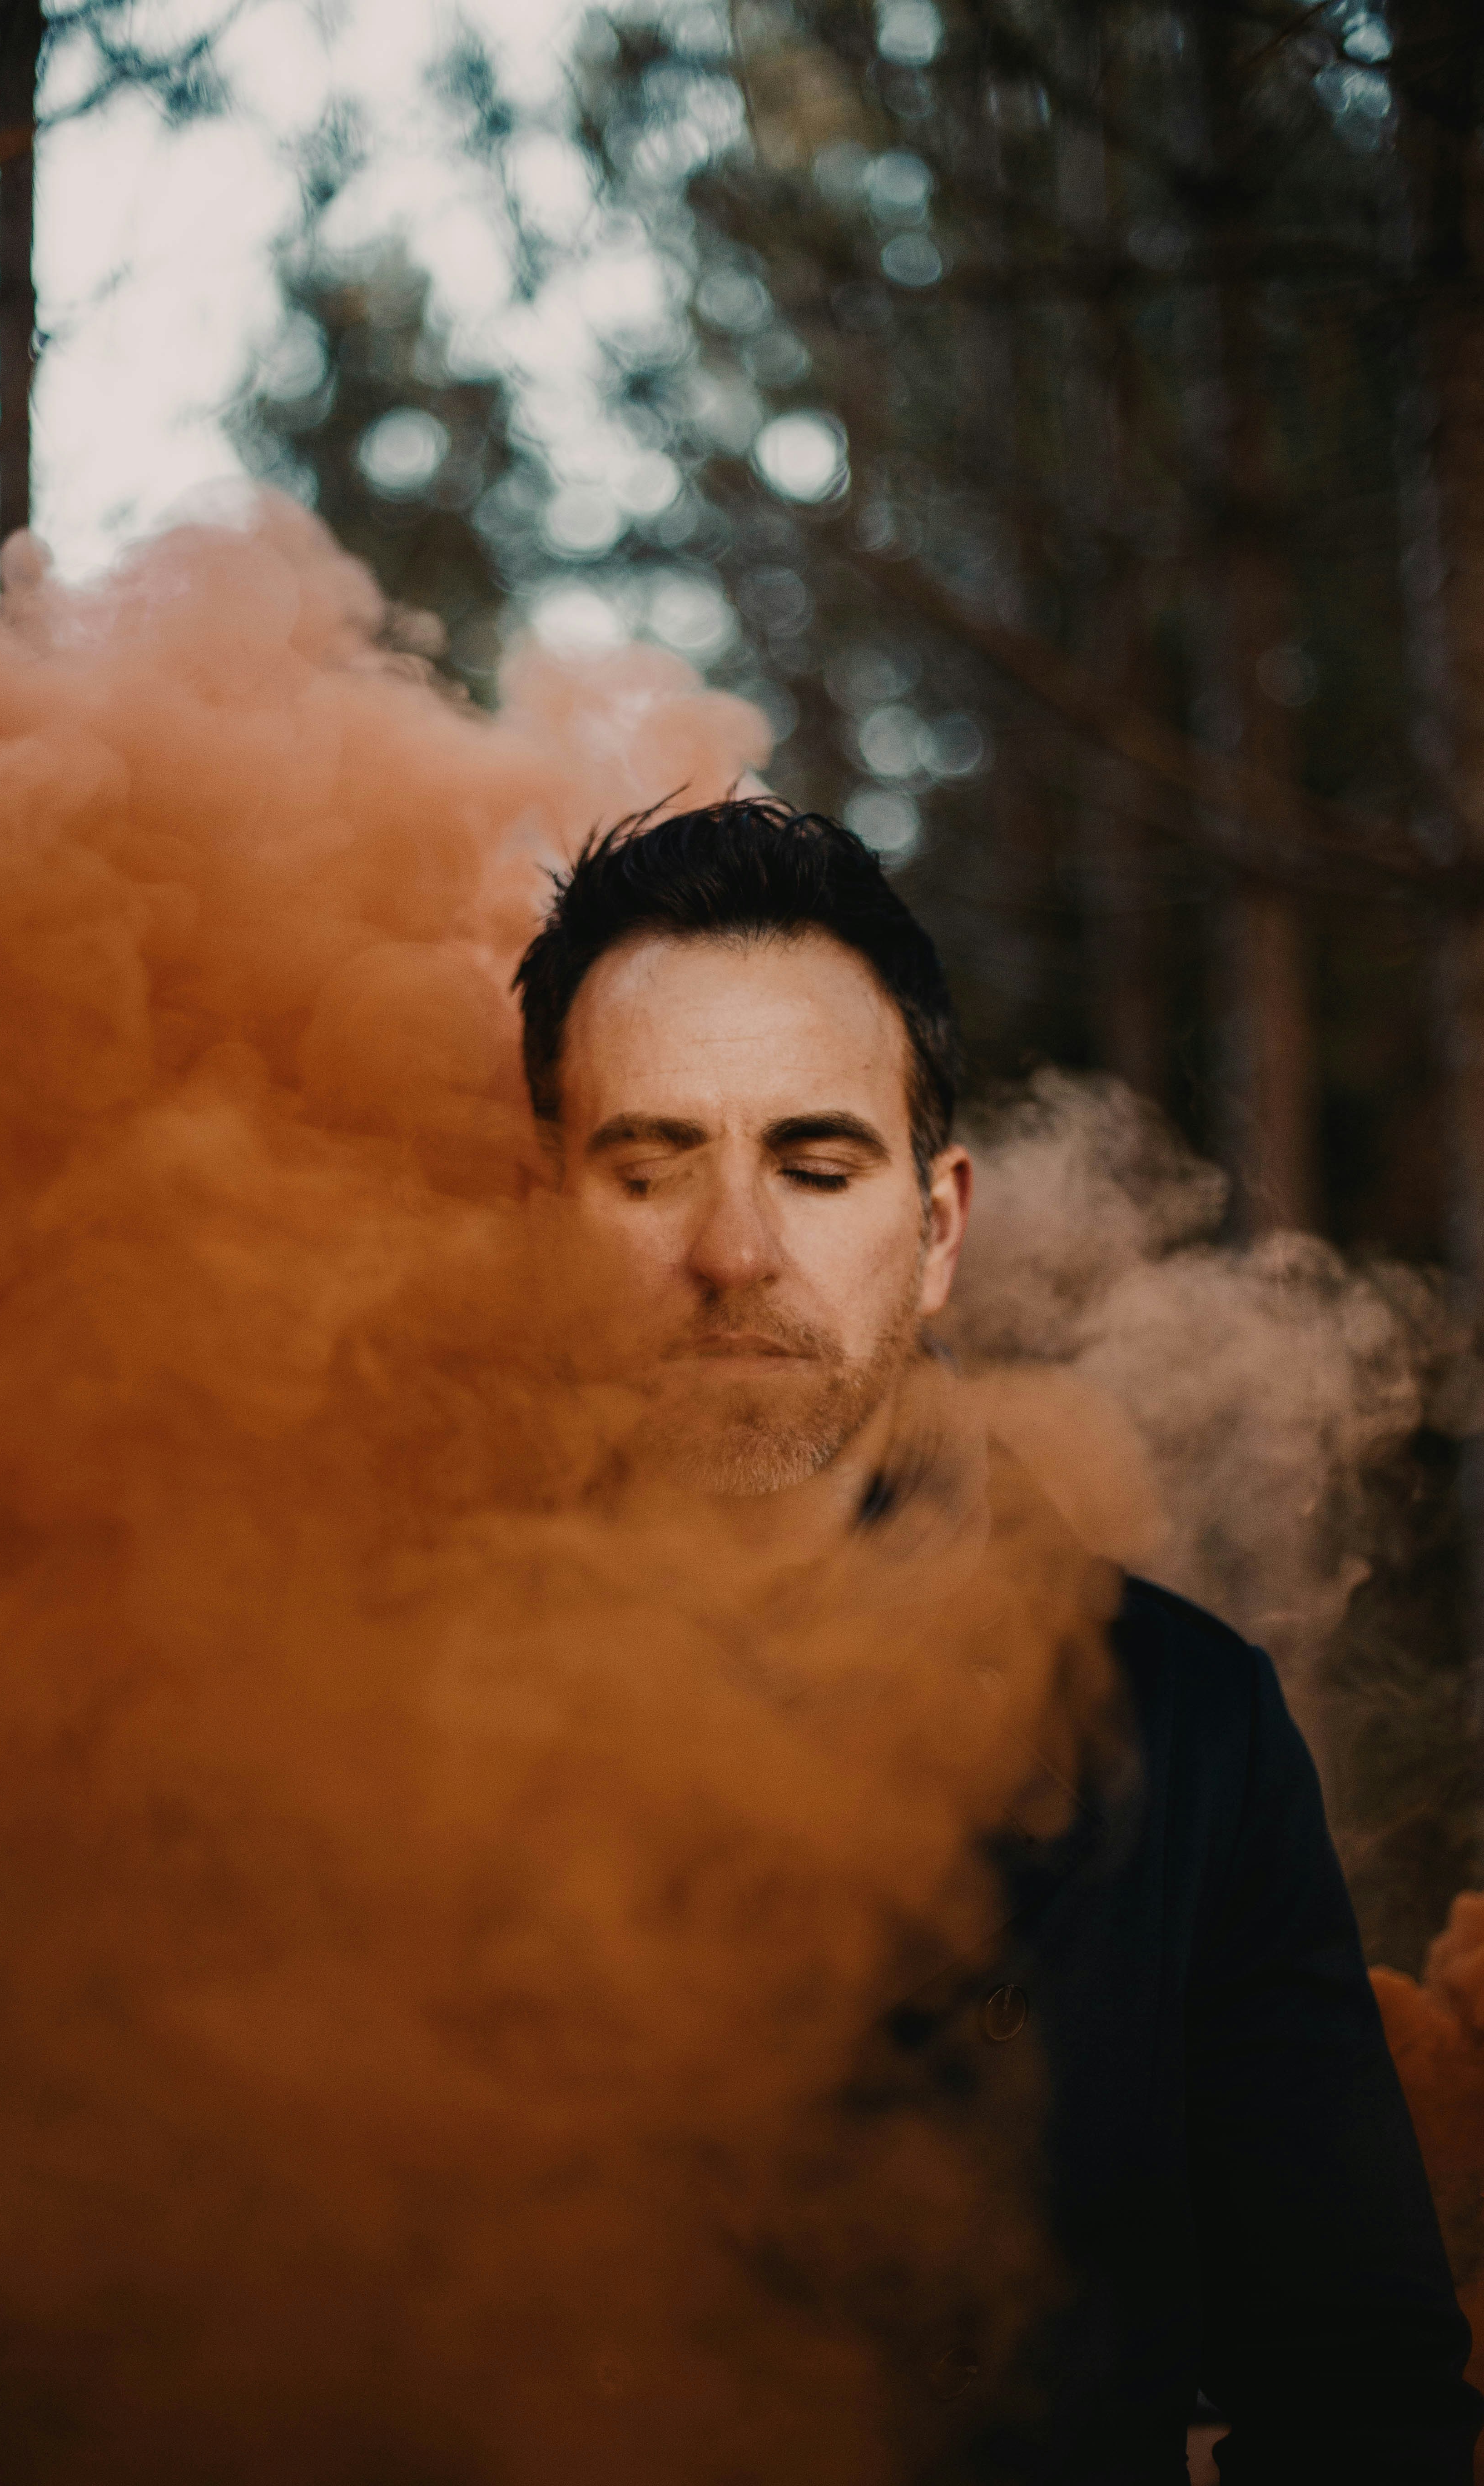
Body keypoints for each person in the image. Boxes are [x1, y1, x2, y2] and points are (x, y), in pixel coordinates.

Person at [513, 796, 1482, 2486]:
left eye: (817, 1167)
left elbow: (1359, 2390)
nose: (733, 1252)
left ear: (940, 1226)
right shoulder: (345, 1687)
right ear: (541, 1216)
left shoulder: (1183, 1728)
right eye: (650, 1165)